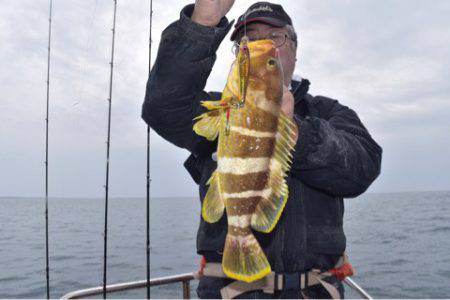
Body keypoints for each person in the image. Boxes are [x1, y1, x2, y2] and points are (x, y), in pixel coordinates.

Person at [142, 1, 382, 298]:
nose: (262, 45)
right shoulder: (218, 110)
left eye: (275, 37)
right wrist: (201, 23)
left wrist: (293, 132)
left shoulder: (328, 113)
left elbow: (363, 166)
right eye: (249, 40)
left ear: (294, 49)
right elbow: (162, 108)